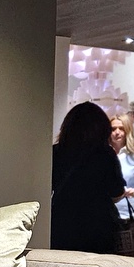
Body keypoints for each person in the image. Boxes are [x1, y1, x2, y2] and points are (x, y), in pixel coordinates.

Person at [51, 102, 126, 254]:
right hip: (99, 224)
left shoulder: (55, 152)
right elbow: (116, 192)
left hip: (62, 221)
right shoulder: (105, 154)